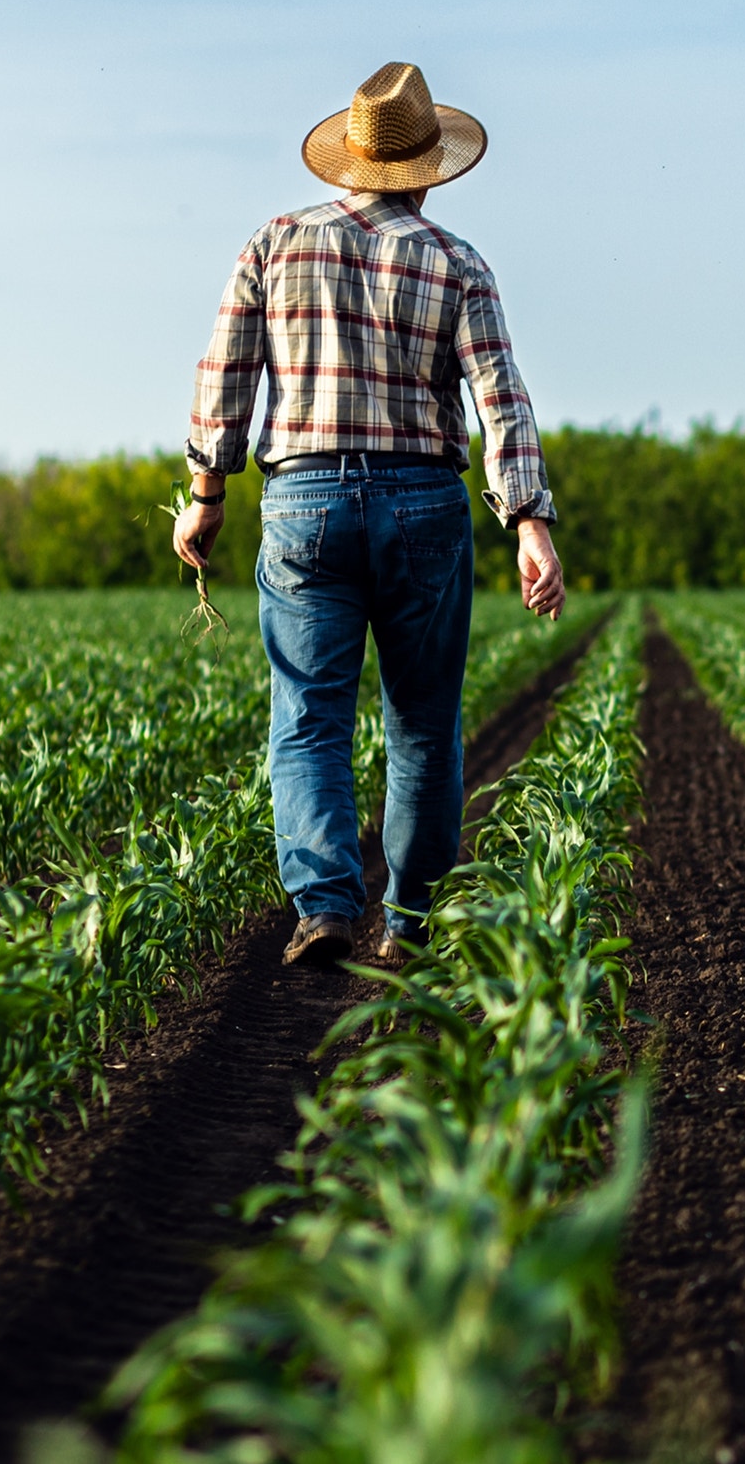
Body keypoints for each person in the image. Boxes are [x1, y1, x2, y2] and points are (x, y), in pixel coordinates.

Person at [172, 60, 565, 969]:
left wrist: (206, 494)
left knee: (309, 713)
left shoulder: (273, 243)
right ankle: (412, 924)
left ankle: (324, 908)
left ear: (346, 160)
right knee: (423, 720)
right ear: (428, 168)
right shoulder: (457, 261)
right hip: (424, 501)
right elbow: (501, 398)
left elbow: (222, 376)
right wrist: (529, 521)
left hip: (304, 501)